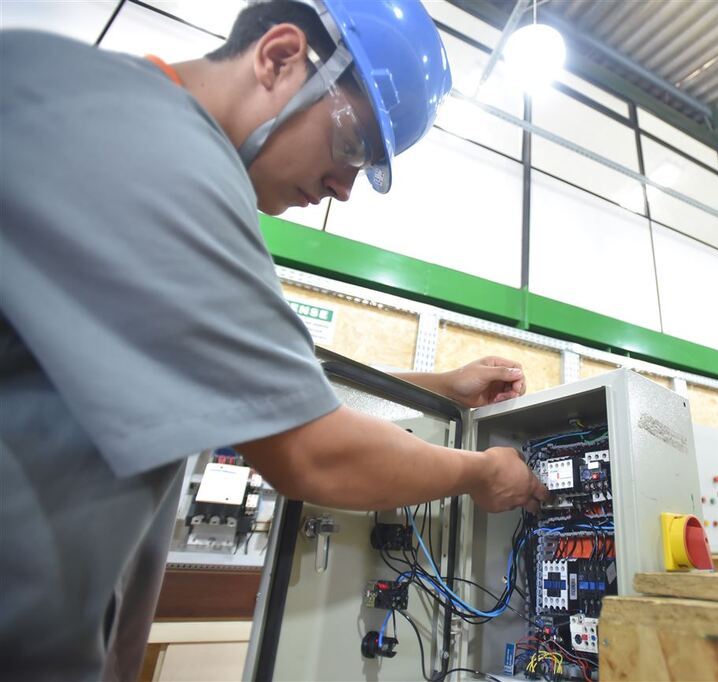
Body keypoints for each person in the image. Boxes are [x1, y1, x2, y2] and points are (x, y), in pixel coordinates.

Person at [0, 1, 549, 679]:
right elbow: (310, 452)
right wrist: (480, 473)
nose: (343, 190)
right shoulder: (168, 161)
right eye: (353, 145)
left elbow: (259, 373)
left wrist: (435, 387)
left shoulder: (98, 108)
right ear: (280, 57)